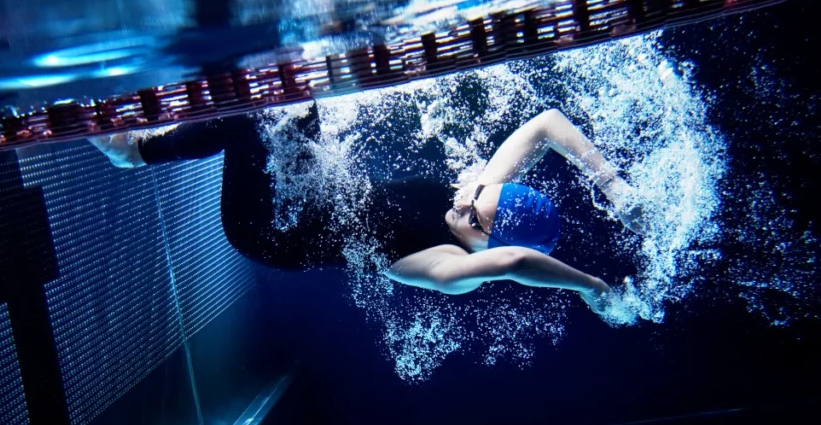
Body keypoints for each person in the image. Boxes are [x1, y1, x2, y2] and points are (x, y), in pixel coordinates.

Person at [90, 105, 646, 314]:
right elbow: (546, 124)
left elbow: (518, 262)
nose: (463, 200)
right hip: (305, 192)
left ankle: (133, 152)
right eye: (477, 191)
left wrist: (591, 286)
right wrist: (614, 186)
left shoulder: (449, 269)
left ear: (486, 245)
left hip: (269, 232)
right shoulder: (476, 201)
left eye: (474, 217)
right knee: (295, 103)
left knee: (242, 123)